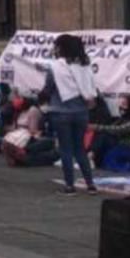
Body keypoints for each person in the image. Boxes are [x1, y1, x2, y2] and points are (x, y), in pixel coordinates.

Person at [42, 34, 98, 196]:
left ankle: (69, 186)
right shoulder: (84, 66)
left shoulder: (55, 67)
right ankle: (90, 184)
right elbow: (91, 88)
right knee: (80, 148)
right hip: (81, 112)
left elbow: (48, 88)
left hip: (61, 112)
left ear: (61, 48)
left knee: (66, 149)